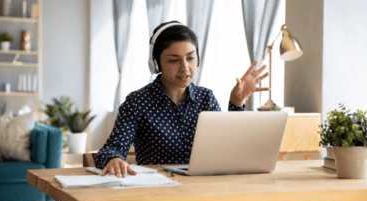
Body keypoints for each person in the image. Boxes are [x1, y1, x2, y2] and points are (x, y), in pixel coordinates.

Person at [94, 20, 269, 178]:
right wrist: (114, 158)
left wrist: (236, 103)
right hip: (156, 190)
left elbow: (228, 148)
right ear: (156, 64)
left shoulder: (206, 98)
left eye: (191, 58)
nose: (185, 68)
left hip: (202, 189)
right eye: (173, 60)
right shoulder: (137, 101)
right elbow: (112, 148)